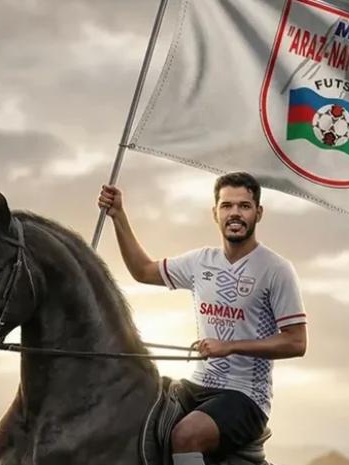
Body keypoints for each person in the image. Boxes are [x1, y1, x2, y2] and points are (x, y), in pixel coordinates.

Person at [97, 172, 307, 465]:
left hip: (246, 396)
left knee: (186, 436)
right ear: (215, 213)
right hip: (196, 386)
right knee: (132, 408)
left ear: (258, 213)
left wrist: (230, 346)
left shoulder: (276, 269)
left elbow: (296, 342)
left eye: (244, 206)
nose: (235, 213)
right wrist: (118, 215)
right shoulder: (200, 261)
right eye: (227, 205)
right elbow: (143, 271)